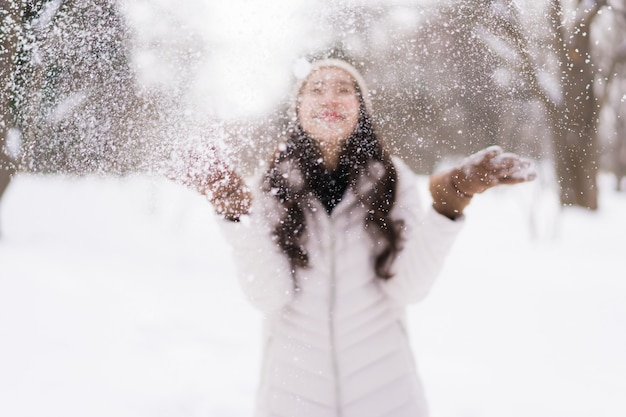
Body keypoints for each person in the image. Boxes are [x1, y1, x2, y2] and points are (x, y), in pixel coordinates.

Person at [177, 58, 536, 417]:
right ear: (297, 109)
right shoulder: (270, 188)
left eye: (344, 89)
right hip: (291, 400)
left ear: (360, 109)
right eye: (315, 90)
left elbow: (407, 289)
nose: (329, 97)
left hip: (388, 398)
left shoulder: (394, 179)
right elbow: (269, 296)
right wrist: (237, 213)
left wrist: (450, 203)